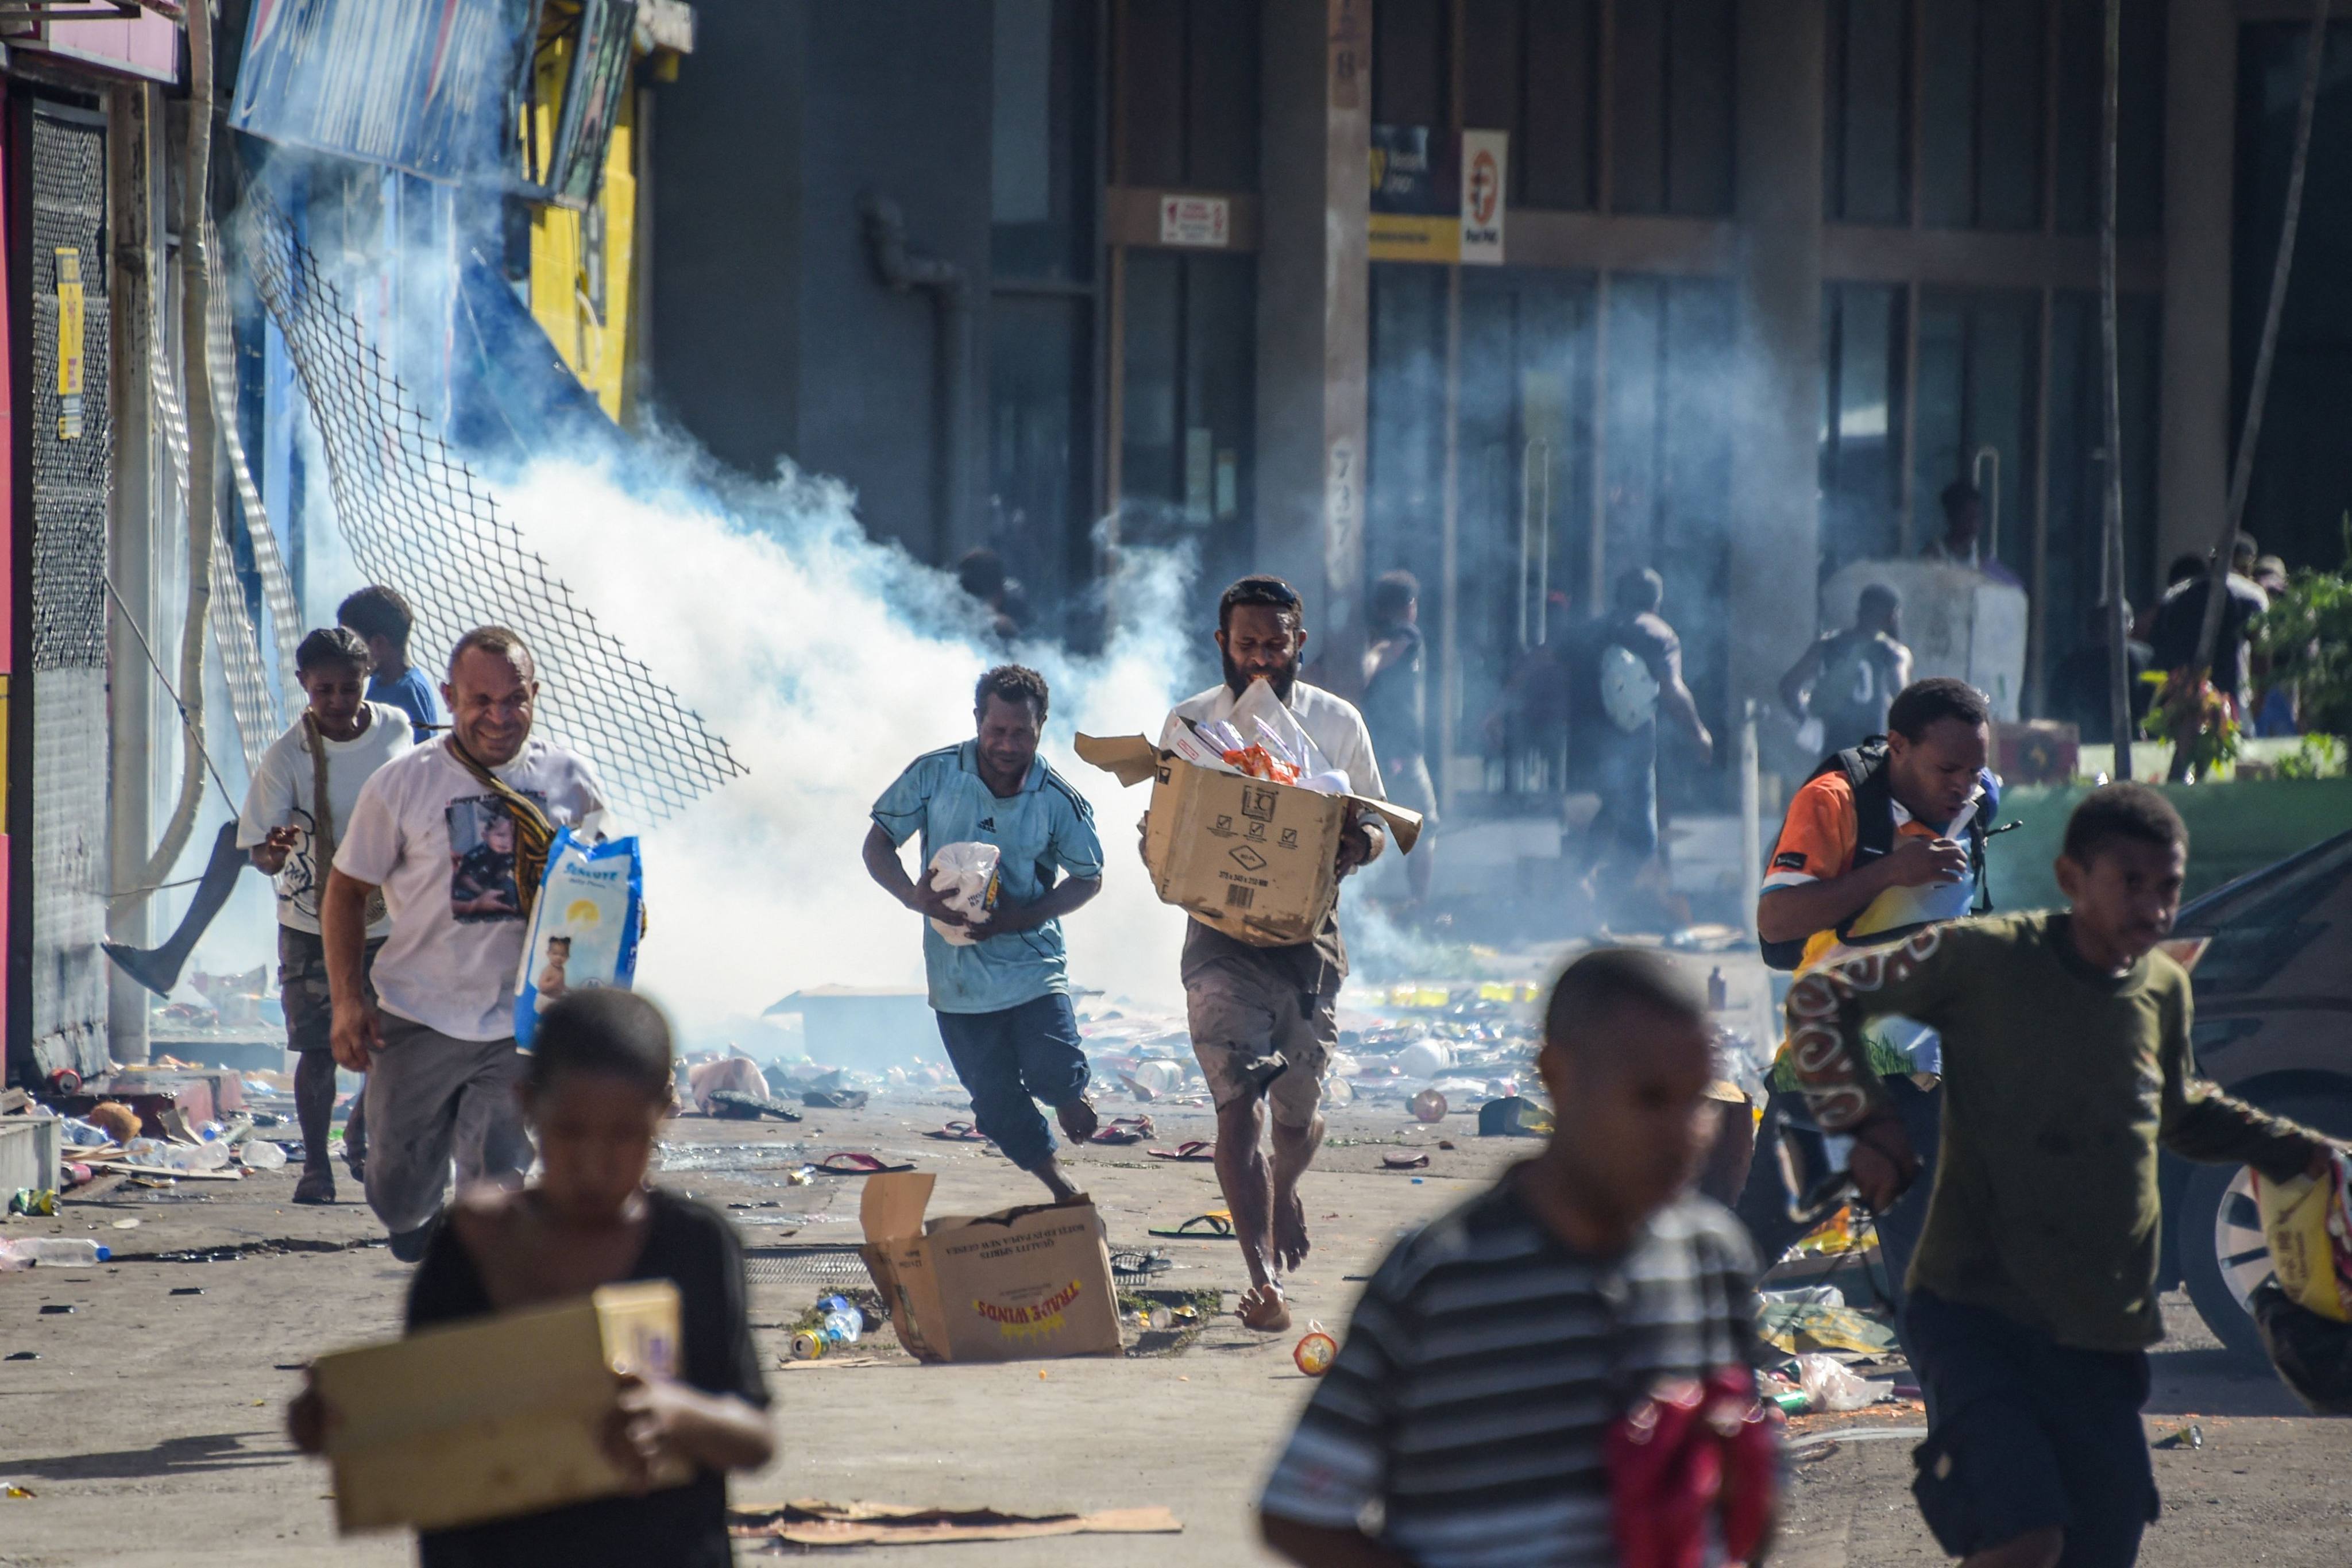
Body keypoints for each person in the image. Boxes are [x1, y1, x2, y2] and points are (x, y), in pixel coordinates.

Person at [1787, 785, 2344, 1568]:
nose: (2153, 908)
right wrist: (1869, 1126)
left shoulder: (2159, 987)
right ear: (2071, 877)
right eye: (2130, 883)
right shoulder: (1985, 956)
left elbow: (2183, 1109)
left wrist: (2295, 1149)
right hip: (1975, 1310)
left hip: (2096, 1323)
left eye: (2167, 887)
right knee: (2022, 1533)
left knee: (2103, 1534)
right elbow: (1821, 998)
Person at [1258, 949, 1768, 1568]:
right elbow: (1300, 1511)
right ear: (1558, 1076)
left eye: (1699, 1102)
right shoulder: (1443, 1276)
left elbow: (1750, 1505)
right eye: (1650, 1099)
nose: (1683, 1134)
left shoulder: (1712, 1261)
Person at [288, 989, 775, 1567]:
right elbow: (415, 1414)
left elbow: (755, 1437)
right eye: (570, 1133)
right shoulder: (470, 1243)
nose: (595, 1163)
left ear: (662, 1114)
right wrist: (331, 1419)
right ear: (526, 1106)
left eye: (625, 1136)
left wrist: (676, 1414)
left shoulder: (694, 1246)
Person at [325, 625, 611, 1260]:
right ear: (451, 698)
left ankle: (480, 1302)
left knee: (494, 1188)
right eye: (482, 701)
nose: (500, 717)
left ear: (536, 696)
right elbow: (345, 893)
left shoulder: (569, 779)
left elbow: (602, 893)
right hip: (418, 1015)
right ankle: (404, 1196)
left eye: (515, 700)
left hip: (520, 1026)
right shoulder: (403, 785)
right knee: (397, 1194)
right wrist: (347, 1003)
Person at [1736, 678, 1998, 1326]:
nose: (1964, 784)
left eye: (1976, 768)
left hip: (1925, 1075)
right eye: (1947, 768)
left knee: (1929, 1283)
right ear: (1899, 747)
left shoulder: (1981, 800)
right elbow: (1776, 920)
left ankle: (1965, 1421)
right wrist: (1888, 871)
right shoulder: (1834, 801)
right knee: (1747, 1247)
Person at [1167, 574, 1387, 1331]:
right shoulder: (1192, 723)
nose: (1261, 661)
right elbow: (1167, 831)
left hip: (1308, 947)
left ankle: (1281, 1185)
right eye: (1246, 644)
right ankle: (1261, 1280)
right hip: (1219, 944)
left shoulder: (1337, 722)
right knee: (1239, 1109)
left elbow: (1376, 825)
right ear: (1221, 644)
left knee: (1296, 1117)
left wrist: (1352, 842)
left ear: (1299, 642)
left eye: (1275, 644)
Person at [863, 665, 1106, 1202]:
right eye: (995, 731)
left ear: (1041, 727)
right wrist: (913, 897)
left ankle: (1068, 1094)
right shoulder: (934, 774)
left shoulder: (1056, 798)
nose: (1006, 744)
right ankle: (1059, 1187)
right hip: (956, 979)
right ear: (978, 721)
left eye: (1020, 732)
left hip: (1030, 965)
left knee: (1052, 1069)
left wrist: (1017, 918)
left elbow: (1088, 878)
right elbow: (877, 844)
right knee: (994, 1105)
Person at [238, 628, 413, 1205]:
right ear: (303, 687)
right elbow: (262, 857)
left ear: (368, 680)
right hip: (312, 920)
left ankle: (361, 1129)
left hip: (392, 918)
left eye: (349, 688)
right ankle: (317, 1166)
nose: (338, 702)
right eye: (324, 691)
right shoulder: (286, 757)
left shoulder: (397, 730)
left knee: (394, 1038)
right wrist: (277, 851)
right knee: (318, 1047)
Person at [1578, 567, 1712, 918]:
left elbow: (1545, 660)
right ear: (1657, 601)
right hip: (1631, 747)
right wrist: (1698, 732)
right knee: (1641, 840)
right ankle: (1595, 908)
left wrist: (1500, 712)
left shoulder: (1594, 630)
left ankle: (1578, 880)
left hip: (1588, 743)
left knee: (1611, 811)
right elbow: (1671, 688)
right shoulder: (1657, 634)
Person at [1359, 570, 1436, 907]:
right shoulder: (1405, 634)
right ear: (1409, 605)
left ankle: (1370, 903)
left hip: (1377, 748)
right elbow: (1383, 654)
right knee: (1424, 826)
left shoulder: (1368, 633)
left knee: (1374, 824)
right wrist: (1369, 663)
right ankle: (1419, 903)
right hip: (1399, 752)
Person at [1779, 583, 1914, 755]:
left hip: (1834, 751)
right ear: (1892, 616)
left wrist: (1808, 721)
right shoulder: (1894, 653)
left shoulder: (1827, 646)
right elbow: (1905, 703)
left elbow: (1788, 686)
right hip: (1873, 752)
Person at [2147, 550, 2270, 712]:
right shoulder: (2250, 596)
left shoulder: (2174, 596)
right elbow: (2262, 651)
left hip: (2182, 703)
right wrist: (2259, 701)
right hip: (2230, 704)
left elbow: (2154, 644)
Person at [340, 584, 442, 741]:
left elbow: (423, 756)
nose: (347, 650)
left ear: (378, 644)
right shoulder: (379, 679)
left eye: (352, 642)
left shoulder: (409, 692)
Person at [2047, 600, 2154, 747]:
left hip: (2087, 746)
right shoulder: (2145, 658)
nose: (2108, 629)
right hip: (2129, 746)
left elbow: (2055, 714)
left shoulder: (2071, 665)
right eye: (2103, 624)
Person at [1921, 480, 2023, 588]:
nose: (1974, 523)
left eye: (1978, 516)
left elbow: (2017, 587)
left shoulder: (1983, 563)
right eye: (1969, 516)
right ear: (1952, 516)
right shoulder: (1933, 556)